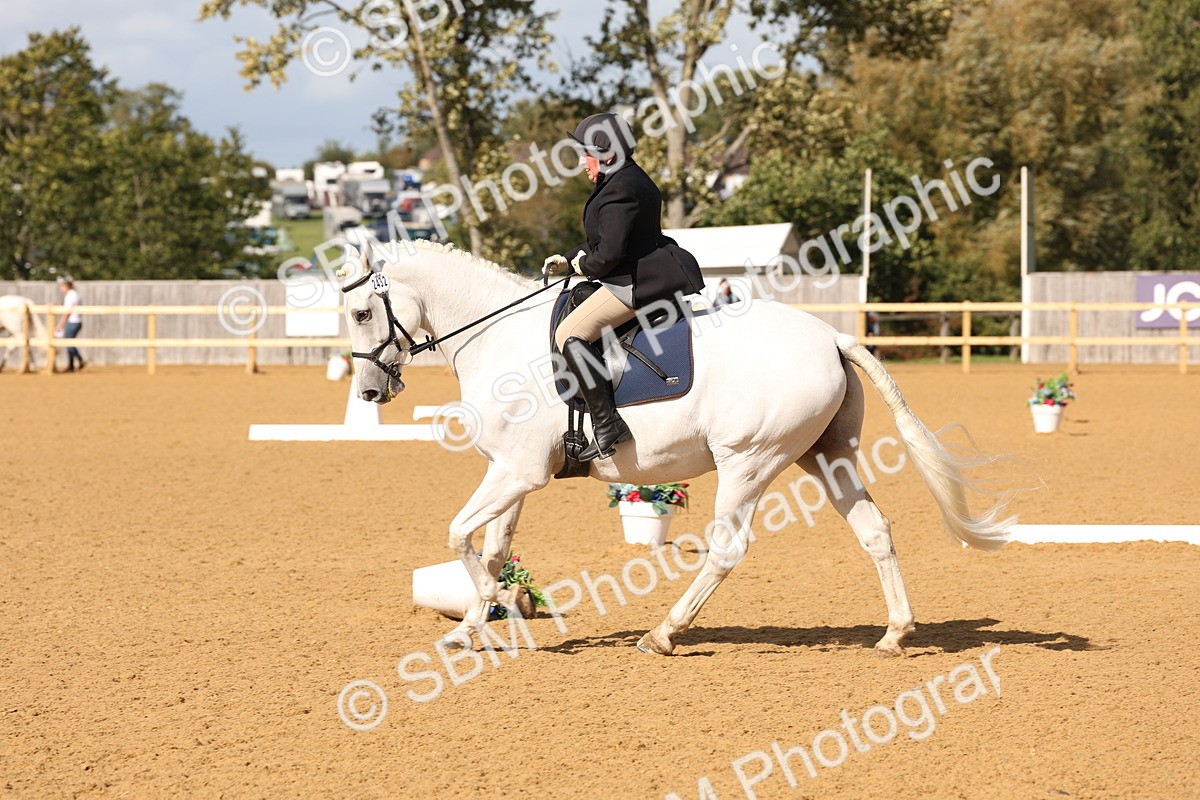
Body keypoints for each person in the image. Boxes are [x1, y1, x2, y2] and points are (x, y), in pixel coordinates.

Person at [543, 112, 704, 462]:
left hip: (635, 283)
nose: (582, 162)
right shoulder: (625, 179)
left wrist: (580, 265)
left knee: (570, 334)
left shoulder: (620, 189)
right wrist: (567, 257)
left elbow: (610, 255)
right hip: (635, 270)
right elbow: (608, 241)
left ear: (608, 155)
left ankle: (607, 423)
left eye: (586, 154)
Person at [55, 279, 85, 372]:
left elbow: (67, 312)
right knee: (70, 342)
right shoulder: (75, 294)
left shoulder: (70, 296)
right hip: (77, 321)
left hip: (73, 322)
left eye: (62, 287)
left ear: (66, 287)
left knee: (69, 343)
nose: (61, 289)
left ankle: (78, 361)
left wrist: (60, 324)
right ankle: (74, 363)